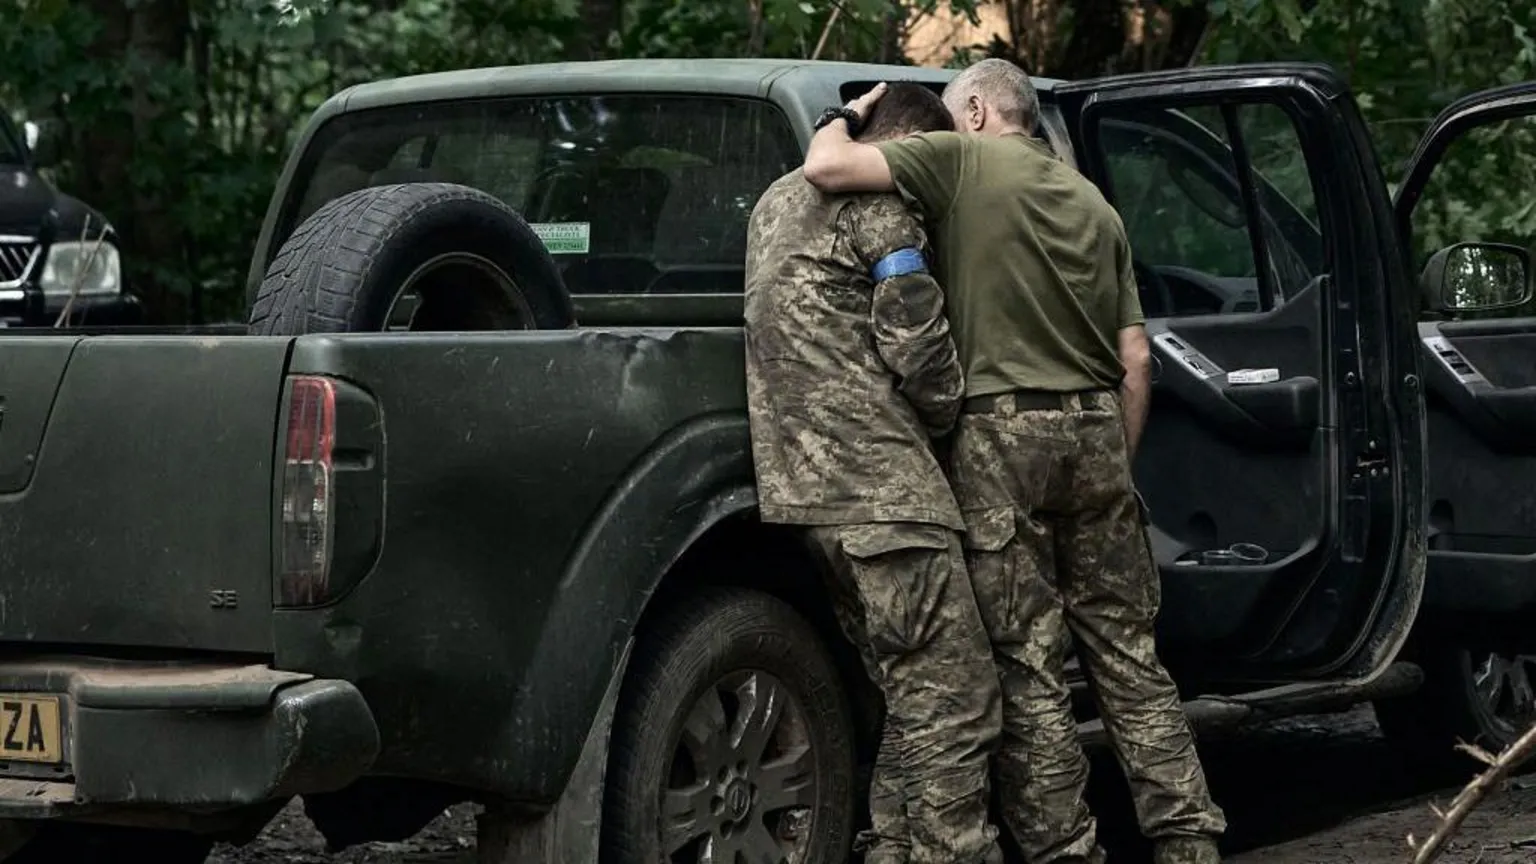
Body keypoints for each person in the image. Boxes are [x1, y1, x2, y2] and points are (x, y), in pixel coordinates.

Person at [800, 59, 1227, 864]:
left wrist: (847, 110)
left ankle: (1066, 849)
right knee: (1131, 659)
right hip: (1097, 433)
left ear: (974, 111)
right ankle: (1189, 838)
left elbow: (826, 167)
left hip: (998, 437)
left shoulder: (960, 159)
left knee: (1029, 666)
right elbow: (1137, 359)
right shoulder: (1096, 205)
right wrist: (1114, 470)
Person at [743, 81, 1003, 864]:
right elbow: (918, 346)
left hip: (804, 497)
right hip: (885, 495)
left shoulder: (771, 205)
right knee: (958, 701)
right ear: (912, 149)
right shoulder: (883, 208)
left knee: (904, 693)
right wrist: (952, 412)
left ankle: (894, 846)